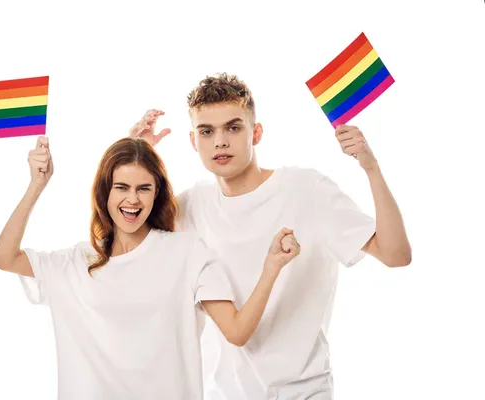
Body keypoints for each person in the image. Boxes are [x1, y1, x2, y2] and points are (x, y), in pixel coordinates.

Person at [128, 73, 412, 400]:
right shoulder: (191, 207)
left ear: (256, 133)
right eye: (207, 131)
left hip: (304, 393)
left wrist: (370, 166)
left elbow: (396, 254)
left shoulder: (306, 190)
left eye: (233, 128)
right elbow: (128, 255)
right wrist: (139, 154)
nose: (220, 141)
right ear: (194, 141)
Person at [0, 135, 301, 400]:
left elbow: (236, 332)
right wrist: (37, 185)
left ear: (157, 193)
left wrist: (272, 267)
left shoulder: (186, 252)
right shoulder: (76, 261)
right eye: (121, 187)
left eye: (144, 188)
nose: (132, 199)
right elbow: (4, 257)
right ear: (105, 192)